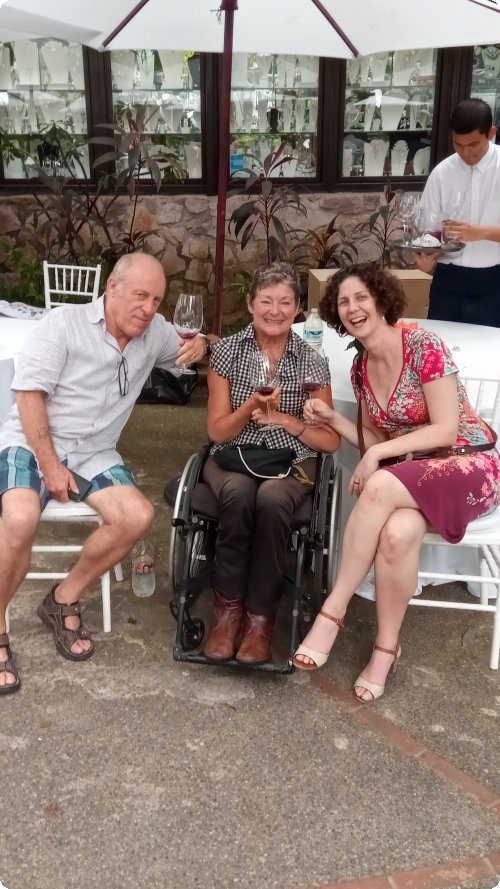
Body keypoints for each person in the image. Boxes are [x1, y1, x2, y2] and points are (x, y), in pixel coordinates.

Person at [0, 252, 209, 694]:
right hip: (32, 440)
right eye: (139, 296)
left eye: (156, 299)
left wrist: (202, 344)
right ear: (111, 288)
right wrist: (50, 465)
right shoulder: (63, 325)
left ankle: (62, 599)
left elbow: (189, 349)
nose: (149, 309)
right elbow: (28, 395)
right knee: (20, 520)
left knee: (136, 516)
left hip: (94, 450)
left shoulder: (153, 332)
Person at [294, 263, 500, 701]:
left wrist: (377, 455)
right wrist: (334, 419)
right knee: (397, 531)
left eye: (361, 298)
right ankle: (387, 648)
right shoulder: (361, 367)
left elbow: (445, 431)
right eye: (343, 302)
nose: (352, 308)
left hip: (469, 466)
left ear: (382, 300)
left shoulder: (423, 345)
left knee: (380, 484)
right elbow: (376, 440)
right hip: (416, 475)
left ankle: (332, 611)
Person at [202, 262, 340, 665]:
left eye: (285, 302)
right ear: (250, 304)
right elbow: (217, 432)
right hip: (233, 456)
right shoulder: (226, 352)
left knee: (274, 498)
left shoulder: (312, 362)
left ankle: (260, 619)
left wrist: (284, 419)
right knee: (241, 494)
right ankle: (227, 615)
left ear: (298, 308)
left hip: (292, 460)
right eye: (266, 300)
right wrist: (252, 406)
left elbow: (329, 441)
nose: (275, 310)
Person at [414, 98, 500, 327]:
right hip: (449, 279)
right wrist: (426, 259)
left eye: (473, 144)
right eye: (457, 144)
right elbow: (428, 229)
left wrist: (479, 233)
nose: (465, 152)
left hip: (495, 279)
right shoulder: (442, 173)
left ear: (491, 133)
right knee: (442, 346)